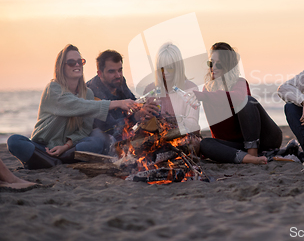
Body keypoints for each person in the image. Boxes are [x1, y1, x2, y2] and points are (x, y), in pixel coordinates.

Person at [7, 44, 135, 169]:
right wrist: (118, 103)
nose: (77, 65)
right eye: (72, 62)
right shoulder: (53, 89)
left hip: (69, 148)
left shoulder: (87, 93)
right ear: (61, 67)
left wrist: (66, 146)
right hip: (43, 146)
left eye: (80, 61)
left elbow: (84, 130)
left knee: (97, 139)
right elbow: (78, 105)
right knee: (14, 141)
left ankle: (48, 161)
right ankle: (55, 160)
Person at [191, 42, 282, 165]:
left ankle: (253, 153)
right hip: (235, 145)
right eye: (211, 63)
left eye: (219, 64)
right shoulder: (207, 90)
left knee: (248, 101)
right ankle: (250, 159)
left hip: (265, 139)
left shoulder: (240, 83)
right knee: (205, 144)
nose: (214, 67)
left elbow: (237, 98)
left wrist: (204, 96)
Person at [86, 50, 157, 141]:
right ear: (99, 73)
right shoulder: (92, 92)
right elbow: (111, 128)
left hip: (123, 132)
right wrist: (136, 116)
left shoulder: (119, 81)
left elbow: (133, 102)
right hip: (102, 139)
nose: (118, 75)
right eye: (112, 71)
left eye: (120, 70)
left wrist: (144, 108)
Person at [152, 42, 200, 134]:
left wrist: (175, 120)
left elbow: (194, 125)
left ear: (178, 67)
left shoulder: (191, 89)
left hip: (185, 139)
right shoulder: (153, 91)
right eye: (161, 68)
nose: (165, 72)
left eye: (169, 68)